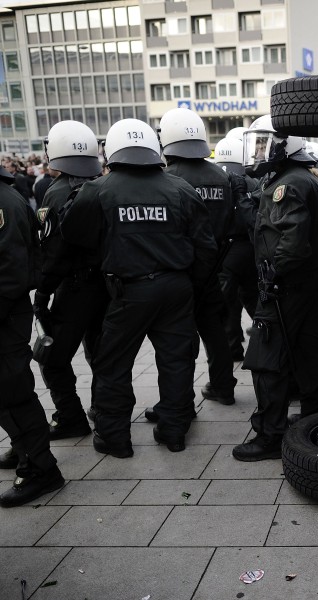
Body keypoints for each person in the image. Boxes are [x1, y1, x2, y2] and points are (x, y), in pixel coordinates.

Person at [60, 118, 217, 456]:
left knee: (113, 364)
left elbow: (73, 233)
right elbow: (206, 247)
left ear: (112, 150)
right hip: (176, 287)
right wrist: (190, 283)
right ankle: (174, 431)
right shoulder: (180, 189)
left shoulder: (98, 190)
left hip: (128, 290)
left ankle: (115, 438)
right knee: (176, 362)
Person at [230, 116, 318, 461]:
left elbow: (292, 240)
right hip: (301, 284)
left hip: (284, 286)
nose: (259, 151)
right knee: (305, 353)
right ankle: (317, 419)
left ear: (285, 146)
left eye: (264, 144)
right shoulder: (300, 179)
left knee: (266, 360)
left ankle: (270, 434)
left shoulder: (289, 185)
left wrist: (273, 275)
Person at [157, 107, 238, 409]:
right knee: (215, 331)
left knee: (180, 339)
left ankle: (181, 402)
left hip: (180, 273)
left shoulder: (168, 179)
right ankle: (223, 386)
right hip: (214, 269)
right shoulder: (222, 175)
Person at [33, 120, 109, 441]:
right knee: (101, 353)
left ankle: (70, 417)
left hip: (74, 287)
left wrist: (42, 295)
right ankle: (103, 411)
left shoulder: (57, 191)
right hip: (106, 285)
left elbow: (53, 252)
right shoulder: (105, 186)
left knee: (51, 358)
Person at [0, 164, 65, 507]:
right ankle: (23, 447)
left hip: (5, 315)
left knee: (14, 394)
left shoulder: (4, 203)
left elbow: (11, 272)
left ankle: (40, 468)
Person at [214, 133, 259, 362]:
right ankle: (263, 342)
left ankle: (233, 350)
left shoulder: (214, 181)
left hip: (225, 251)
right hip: (250, 249)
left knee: (227, 306)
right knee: (255, 301)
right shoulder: (252, 182)